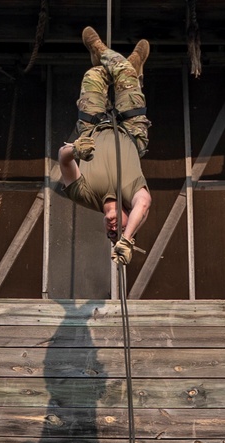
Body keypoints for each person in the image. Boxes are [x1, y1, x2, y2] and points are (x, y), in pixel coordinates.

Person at [57, 28, 153, 266]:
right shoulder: (133, 195)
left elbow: (63, 157)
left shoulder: (86, 196)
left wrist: (75, 150)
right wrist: (127, 239)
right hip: (131, 130)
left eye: (111, 235)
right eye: (120, 228)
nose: (113, 229)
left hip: (92, 127)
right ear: (129, 218)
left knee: (95, 75)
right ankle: (109, 54)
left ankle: (118, 63)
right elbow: (145, 204)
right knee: (123, 73)